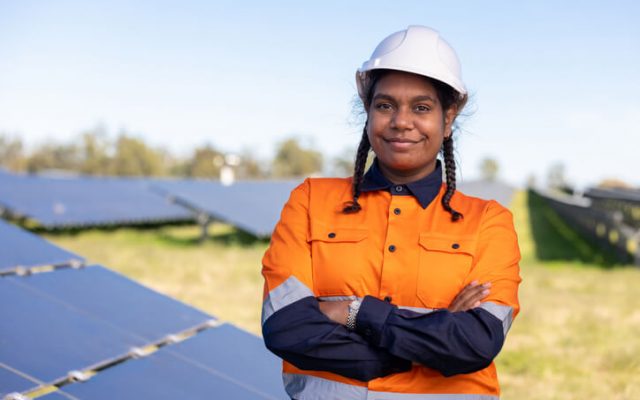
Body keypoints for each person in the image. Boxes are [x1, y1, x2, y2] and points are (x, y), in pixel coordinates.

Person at [261, 25, 521, 399]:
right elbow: (286, 327)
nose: (401, 121)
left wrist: (352, 312)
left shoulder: (488, 222)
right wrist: (430, 342)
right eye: (385, 105)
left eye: (421, 107)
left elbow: (475, 342)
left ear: (448, 120)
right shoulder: (310, 201)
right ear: (367, 113)